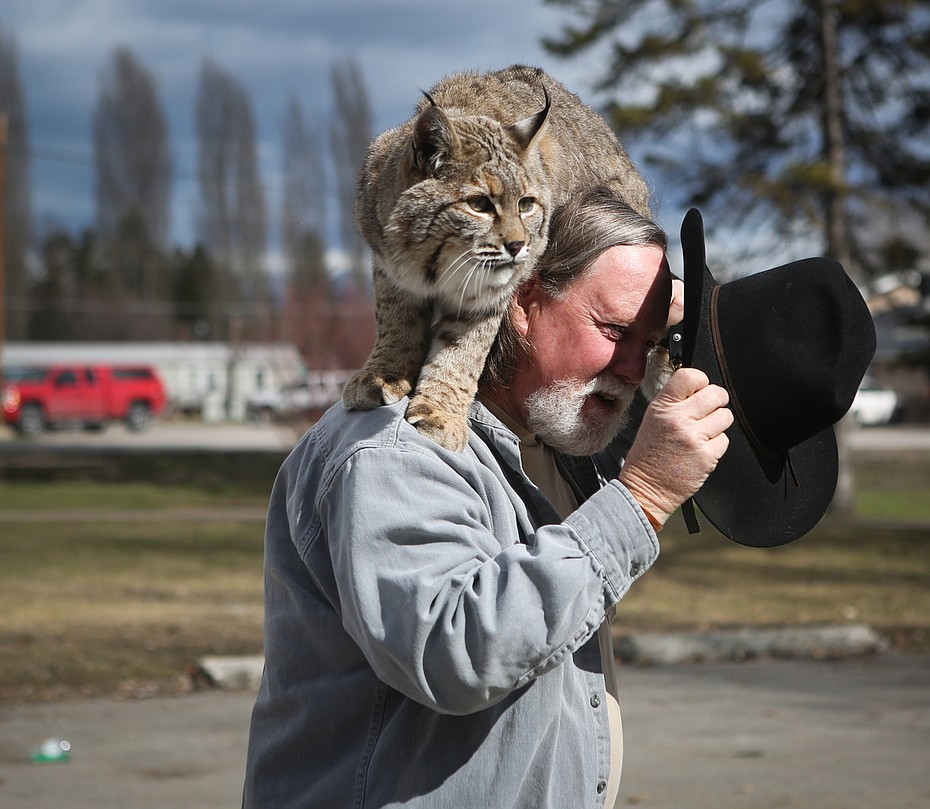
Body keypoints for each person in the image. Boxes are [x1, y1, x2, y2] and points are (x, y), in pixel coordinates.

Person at [242, 188, 733, 808]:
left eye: (651, 341)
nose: (633, 368)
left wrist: (693, 324)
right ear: (523, 300)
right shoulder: (398, 445)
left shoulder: (554, 438)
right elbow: (453, 650)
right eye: (613, 330)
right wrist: (643, 497)